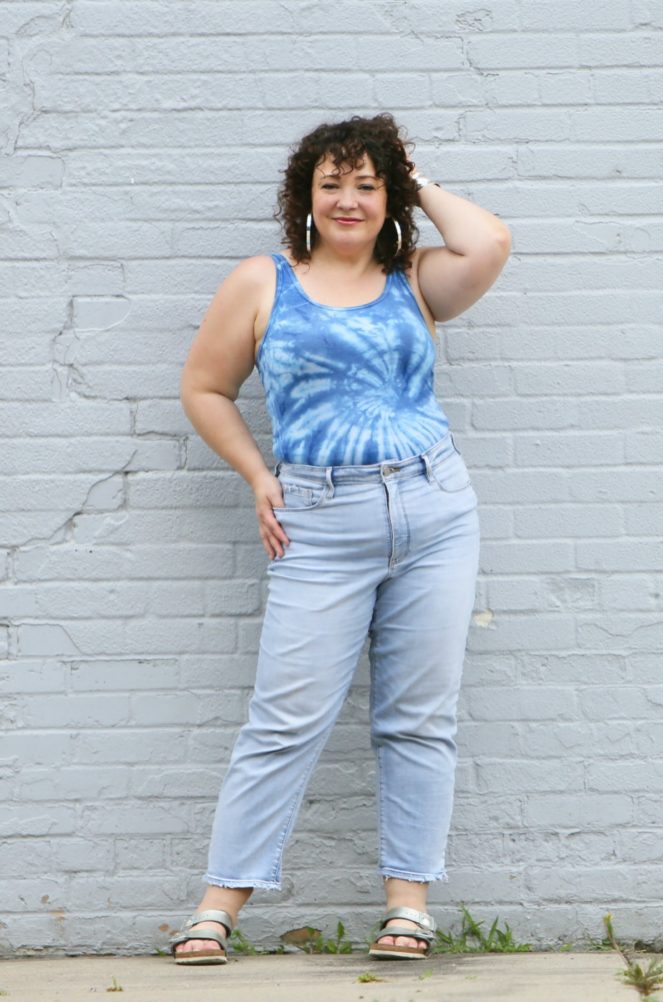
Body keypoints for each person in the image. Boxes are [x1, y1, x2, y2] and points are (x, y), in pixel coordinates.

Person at [169, 112, 511, 964]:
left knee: (419, 718)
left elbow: (490, 242)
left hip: (433, 511)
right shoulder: (263, 281)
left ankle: (408, 907)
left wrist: (414, 179)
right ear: (305, 198)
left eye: (367, 184)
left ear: (388, 195)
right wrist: (258, 474)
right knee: (284, 719)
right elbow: (206, 388)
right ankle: (218, 906)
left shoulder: (415, 276)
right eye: (333, 184)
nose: (349, 200)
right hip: (317, 522)